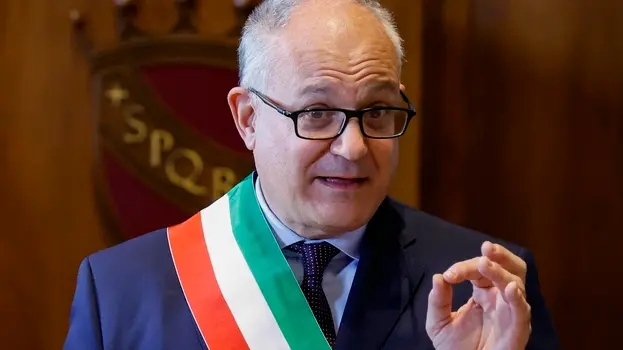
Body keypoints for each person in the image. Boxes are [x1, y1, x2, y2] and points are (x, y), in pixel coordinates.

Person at [63, 0, 559, 349]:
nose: (353, 147)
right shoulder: (121, 294)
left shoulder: (486, 286)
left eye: (378, 111)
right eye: (317, 113)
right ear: (248, 118)